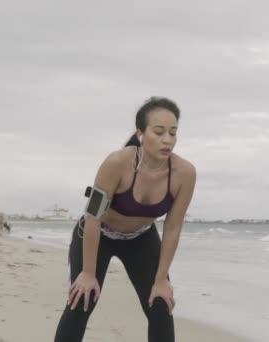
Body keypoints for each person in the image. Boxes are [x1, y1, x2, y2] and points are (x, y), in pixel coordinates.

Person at [54, 96, 196, 342]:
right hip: (99, 234)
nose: (167, 140)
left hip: (141, 239)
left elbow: (172, 227)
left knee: (161, 305)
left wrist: (161, 279)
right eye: (159, 131)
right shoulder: (116, 163)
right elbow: (93, 217)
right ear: (141, 133)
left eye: (173, 133)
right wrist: (88, 273)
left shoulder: (185, 173)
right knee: (82, 300)